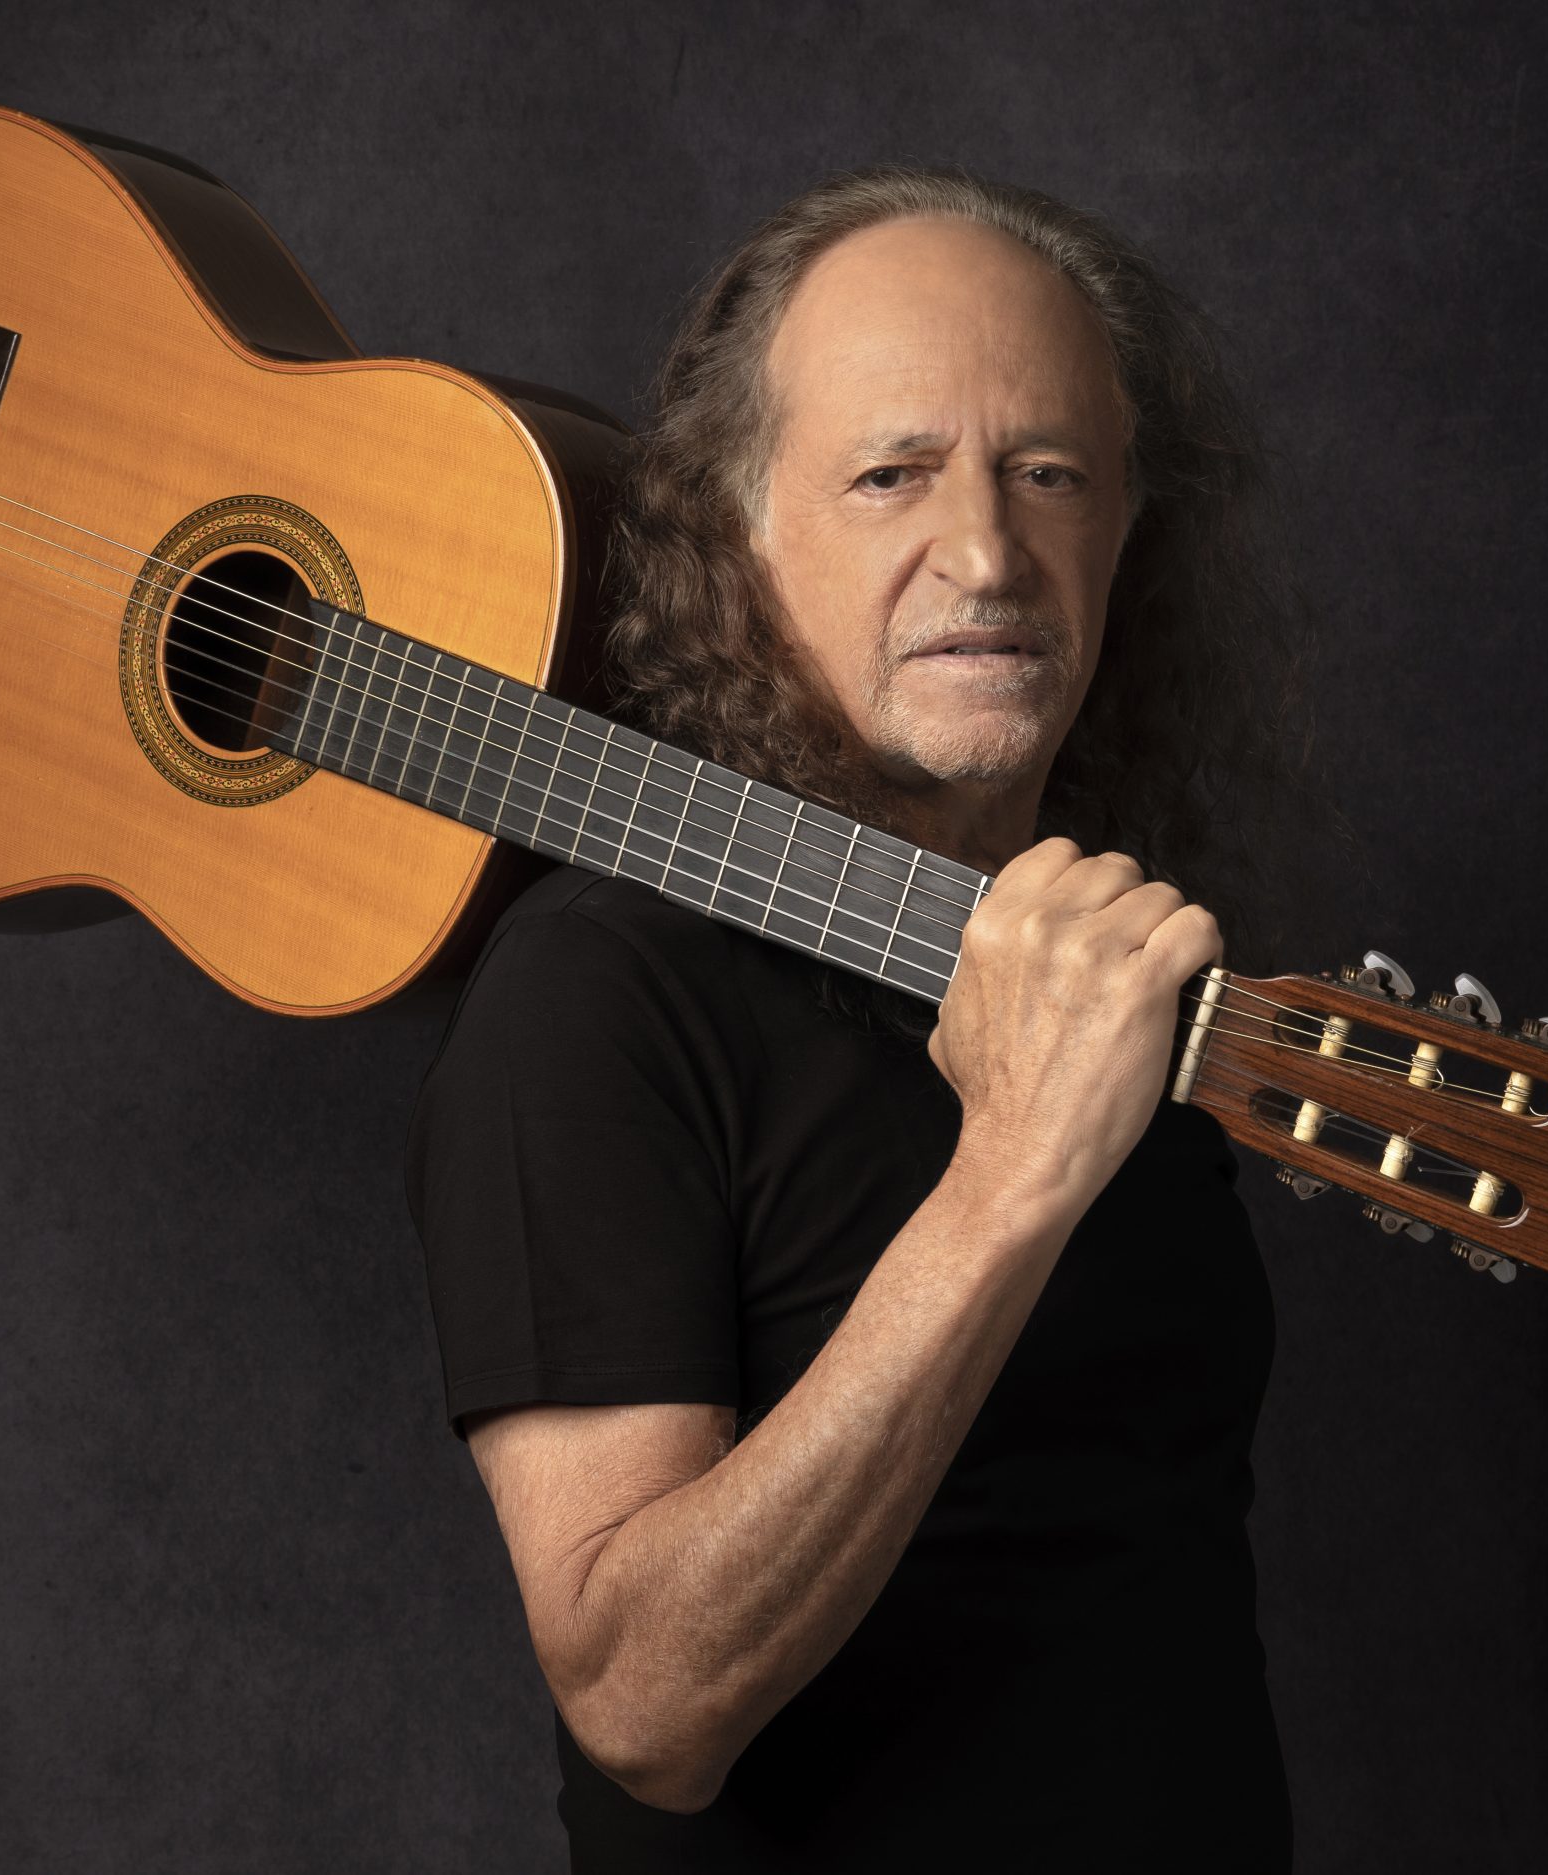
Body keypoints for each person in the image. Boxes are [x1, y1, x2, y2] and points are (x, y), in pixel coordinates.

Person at [406, 169, 1299, 1870]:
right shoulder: (592, 995)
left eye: (1049, 475)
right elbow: (642, 1704)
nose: (984, 551)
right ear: (740, 541)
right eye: (892, 475)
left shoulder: (1110, 960)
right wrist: (1013, 1175)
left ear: (1123, 534)